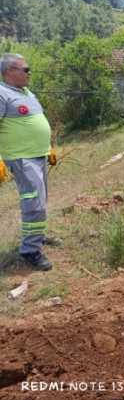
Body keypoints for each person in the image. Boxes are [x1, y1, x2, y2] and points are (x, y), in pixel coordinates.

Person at [0, 53, 61, 272]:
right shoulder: (2, 93)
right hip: (22, 158)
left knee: (41, 202)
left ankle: (37, 237)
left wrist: (48, 146)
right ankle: (29, 251)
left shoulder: (25, 91)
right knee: (33, 204)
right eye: (25, 69)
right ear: (10, 71)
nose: (29, 73)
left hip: (37, 155)